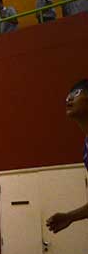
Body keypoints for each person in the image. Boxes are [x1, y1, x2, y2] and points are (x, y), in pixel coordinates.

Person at [47, 79, 88, 233]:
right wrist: (70, 217)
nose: (69, 98)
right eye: (68, 95)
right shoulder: (86, 147)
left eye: (76, 93)